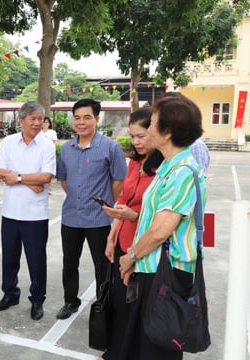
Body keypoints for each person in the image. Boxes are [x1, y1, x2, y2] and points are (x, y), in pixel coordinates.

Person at [116, 93, 206, 360]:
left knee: (158, 349)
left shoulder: (182, 172)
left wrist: (130, 256)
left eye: (152, 123)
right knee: (144, 345)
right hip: (152, 268)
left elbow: (159, 231)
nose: (147, 129)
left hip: (166, 273)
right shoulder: (168, 166)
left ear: (167, 132)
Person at [100, 107, 164, 359]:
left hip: (145, 246)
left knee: (138, 303)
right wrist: (111, 235)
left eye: (141, 136)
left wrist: (134, 216)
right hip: (122, 239)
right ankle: (114, 350)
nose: (135, 142)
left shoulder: (166, 169)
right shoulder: (134, 163)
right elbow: (123, 200)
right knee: (118, 299)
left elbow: (163, 217)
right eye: (132, 136)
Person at [55, 98, 127, 320]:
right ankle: (70, 301)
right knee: (69, 263)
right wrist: (77, 199)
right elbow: (64, 180)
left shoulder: (110, 147)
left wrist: (106, 204)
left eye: (87, 117)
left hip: (99, 219)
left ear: (97, 119)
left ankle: (103, 305)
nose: (81, 122)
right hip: (71, 217)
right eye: (77, 118)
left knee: (103, 266)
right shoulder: (66, 148)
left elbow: (118, 181)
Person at [0, 101, 55, 320]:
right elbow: (0, 171)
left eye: (40, 118)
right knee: (9, 258)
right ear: (21, 121)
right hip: (10, 212)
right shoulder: (9, 142)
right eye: (32, 119)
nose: (37, 123)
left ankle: (37, 300)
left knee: (36, 260)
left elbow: (46, 177)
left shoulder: (47, 145)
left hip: (35, 215)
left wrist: (17, 177)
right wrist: (30, 181)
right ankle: (10, 294)